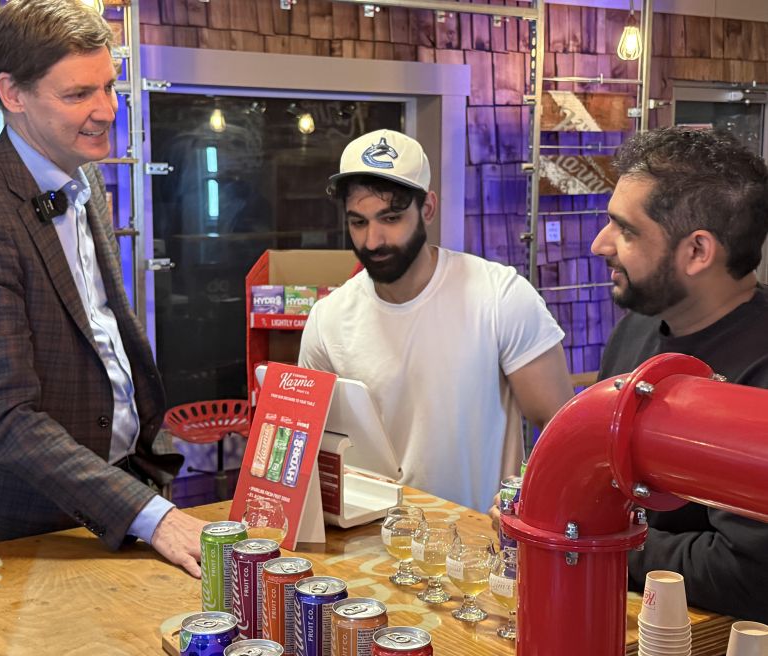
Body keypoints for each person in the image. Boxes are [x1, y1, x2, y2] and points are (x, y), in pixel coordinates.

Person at [0, 0, 205, 576]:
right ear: (12, 93)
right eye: (78, 95)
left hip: (119, 489)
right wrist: (150, 514)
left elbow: (101, 332)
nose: (106, 111)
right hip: (21, 528)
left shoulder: (86, 177)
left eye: (110, 86)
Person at [298, 130, 574, 512]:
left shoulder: (499, 296)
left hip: (480, 548)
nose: (373, 240)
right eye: (358, 222)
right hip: (369, 547)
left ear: (427, 208)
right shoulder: (327, 319)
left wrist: (530, 503)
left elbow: (564, 429)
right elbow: (312, 445)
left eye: (390, 218)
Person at [593, 126, 768, 621]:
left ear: (697, 252)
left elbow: (749, 573)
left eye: (626, 230)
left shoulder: (760, 372)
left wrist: (602, 546)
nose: (600, 244)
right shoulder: (635, 332)